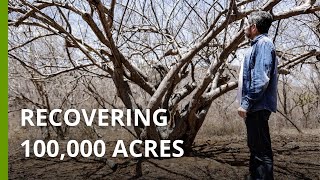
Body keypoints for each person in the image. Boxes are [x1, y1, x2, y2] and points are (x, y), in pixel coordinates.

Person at [237, 11, 277, 180]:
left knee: (261, 152)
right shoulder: (256, 46)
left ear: (253, 27)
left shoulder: (264, 44)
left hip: (257, 106)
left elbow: (261, 79)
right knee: (256, 150)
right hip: (255, 107)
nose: (245, 28)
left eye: (247, 25)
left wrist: (246, 103)